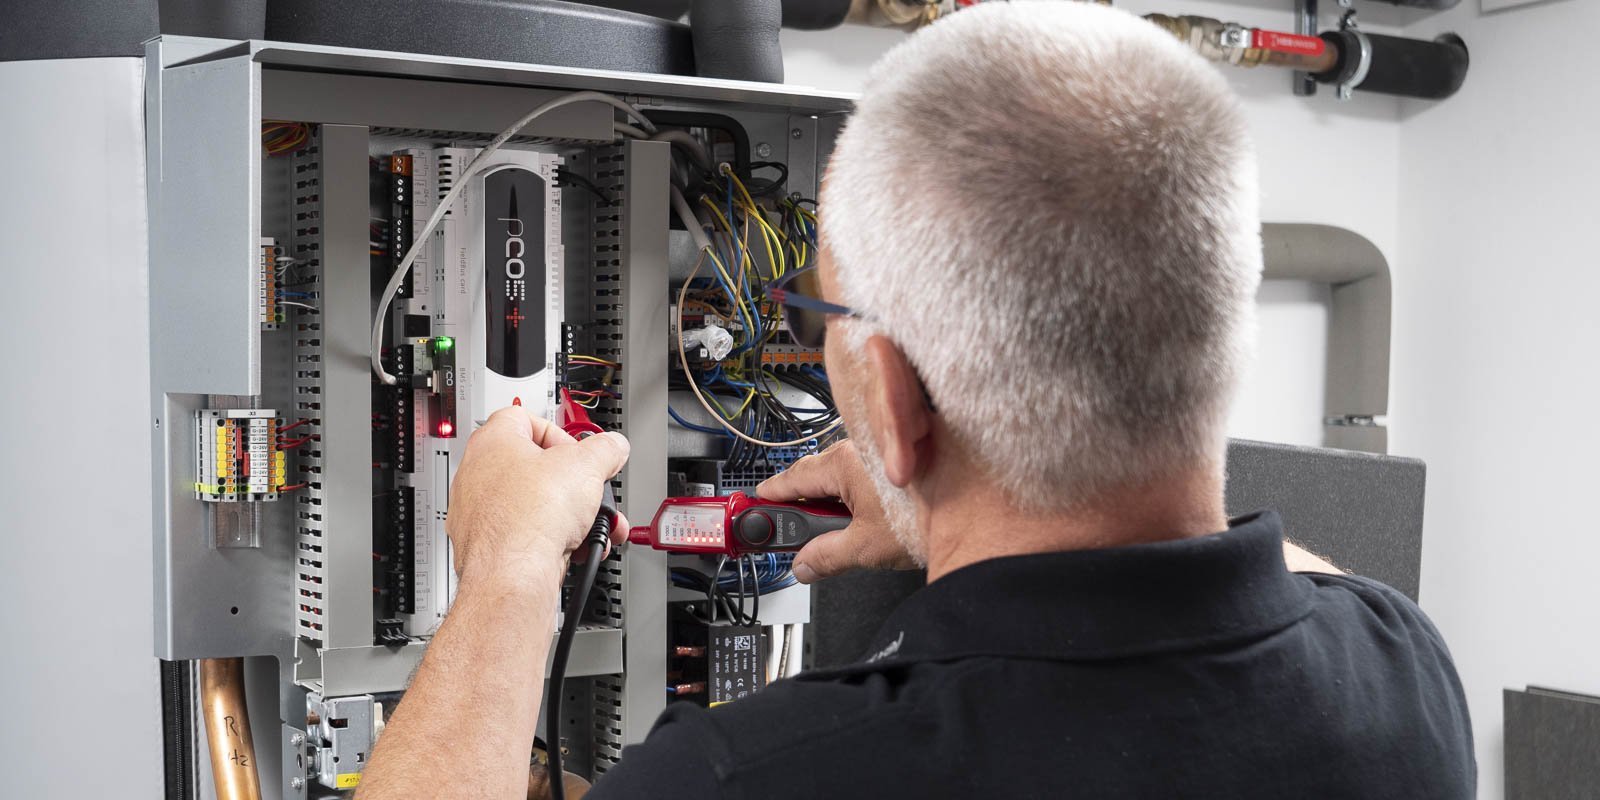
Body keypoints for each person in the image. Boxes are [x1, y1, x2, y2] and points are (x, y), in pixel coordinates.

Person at [358, 3, 1475, 798]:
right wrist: (939, 499)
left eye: (825, 318)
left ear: (891, 402)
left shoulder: (754, 774)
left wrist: (506, 570)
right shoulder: (1401, 672)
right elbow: (1289, 581)